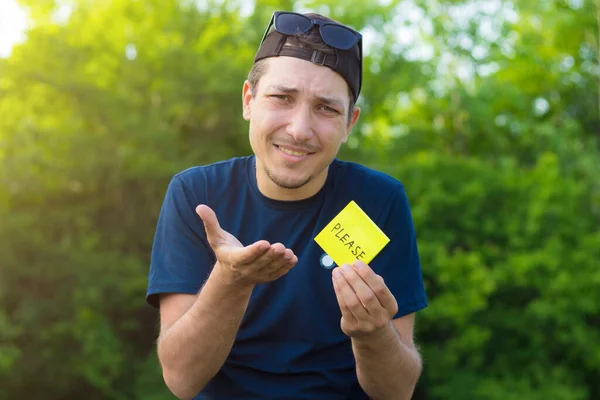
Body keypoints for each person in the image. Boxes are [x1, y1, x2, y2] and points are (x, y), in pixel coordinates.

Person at [146, 10, 428, 400]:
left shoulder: (379, 201)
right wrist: (232, 281)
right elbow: (181, 379)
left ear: (349, 124)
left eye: (326, 109)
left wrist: (374, 333)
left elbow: (397, 390)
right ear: (249, 100)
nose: (299, 129)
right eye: (282, 98)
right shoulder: (197, 195)